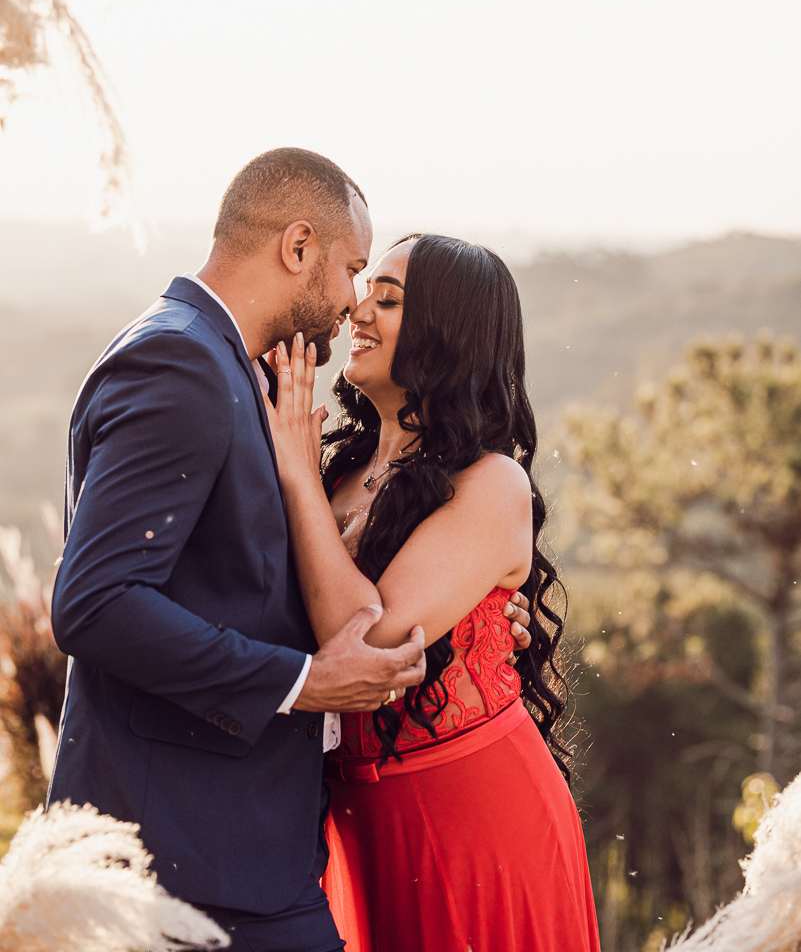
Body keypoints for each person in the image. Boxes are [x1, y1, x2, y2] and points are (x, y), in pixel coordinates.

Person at [47, 149, 533, 952]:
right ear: (297, 246)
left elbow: (248, 578)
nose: (350, 305)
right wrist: (303, 682)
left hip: (249, 847)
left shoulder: (233, 370)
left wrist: (478, 616)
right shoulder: (183, 362)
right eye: (351, 271)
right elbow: (96, 604)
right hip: (185, 847)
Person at [260, 233, 602, 952]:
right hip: (357, 812)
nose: (359, 311)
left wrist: (293, 473)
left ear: (448, 335)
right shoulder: (341, 472)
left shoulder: (490, 483)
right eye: (366, 291)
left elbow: (366, 644)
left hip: (471, 811)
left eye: (387, 299)